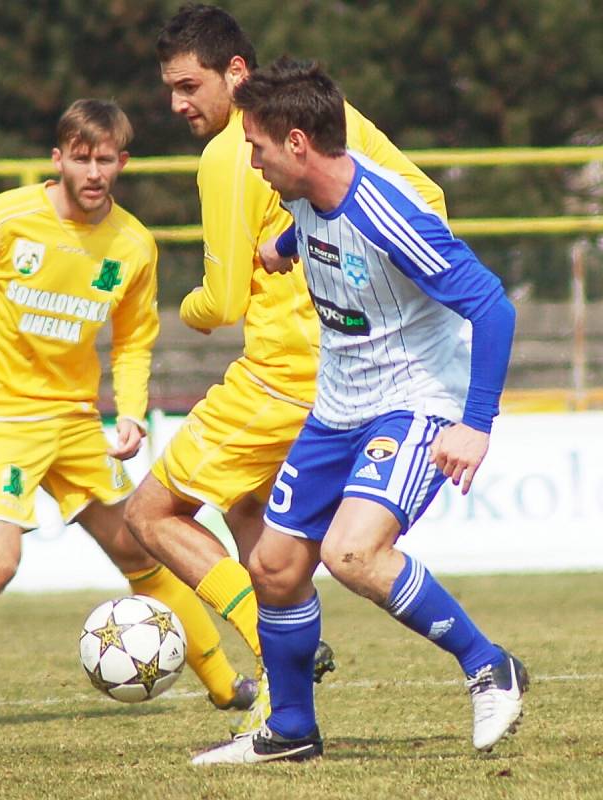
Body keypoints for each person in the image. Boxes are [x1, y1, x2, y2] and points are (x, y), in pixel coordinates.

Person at [0, 99, 258, 730]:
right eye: (81, 158)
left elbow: (132, 338)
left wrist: (129, 412)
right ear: (58, 158)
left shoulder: (133, 245)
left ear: (121, 163)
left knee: (144, 548)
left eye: (106, 160)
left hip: (74, 420)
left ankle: (226, 686)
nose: (93, 172)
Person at [190, 57, 528, 765]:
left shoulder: (390, 213)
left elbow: (492, 307)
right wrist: (280, 248)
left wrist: (476, 424)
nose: (250, 161)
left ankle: (487, 664)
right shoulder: (302, 192)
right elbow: (309, 230)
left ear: (297, 143)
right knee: (276, 564)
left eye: (255, 146)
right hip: (337, 405)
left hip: (415, 404)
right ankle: (289, 731)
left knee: (351, 553)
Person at [124, 3, 446, 732]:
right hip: (353, 375)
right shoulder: (335, 119)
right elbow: (431, 201)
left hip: (278, 376)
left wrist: (186, 308)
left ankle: (280, 662)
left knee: (150, 513)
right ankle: (287, 699)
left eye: (187, 86)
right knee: (251, 519)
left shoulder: (225, 153)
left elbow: (225, 300)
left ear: (235, 72)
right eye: (169, 90)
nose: (176, 105)